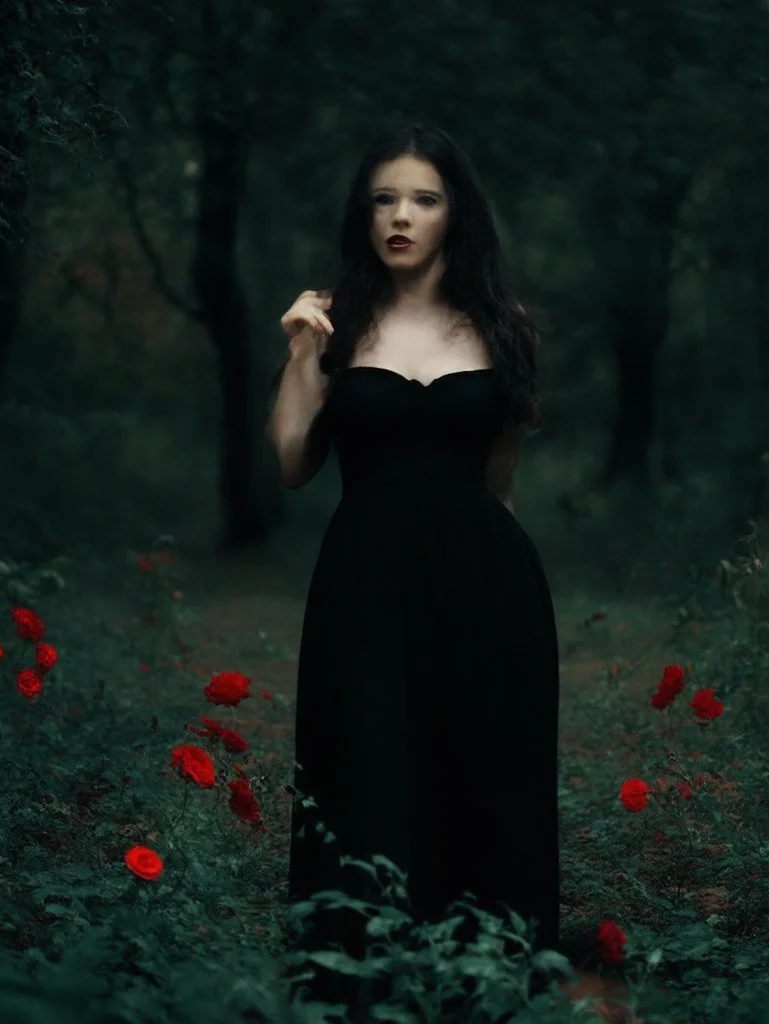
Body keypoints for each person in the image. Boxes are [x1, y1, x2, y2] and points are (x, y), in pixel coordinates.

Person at [266, 123, 560, 1019]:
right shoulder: (334, 321)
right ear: (365, 215)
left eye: (424, 199)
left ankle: (482, 978)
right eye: (384, 199)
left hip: (488, 584)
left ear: (454, 214)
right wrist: (301, 355)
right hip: (365, 585)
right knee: (367, 767)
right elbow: (289, 462)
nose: (401, 216)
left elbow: (499, 482)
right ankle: (359, 984)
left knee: (482, 778)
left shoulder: (505, 328)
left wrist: (510, 596)